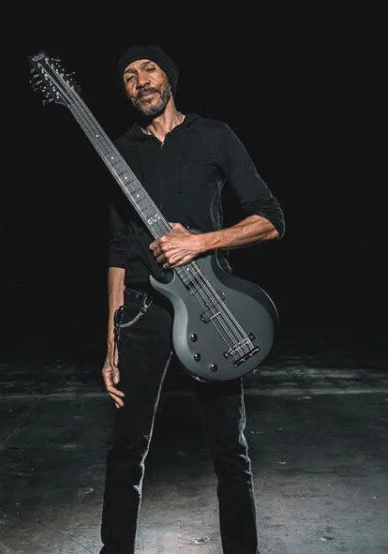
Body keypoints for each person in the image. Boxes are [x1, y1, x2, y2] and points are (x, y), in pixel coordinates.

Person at [99, 44, 285, 554]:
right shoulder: (120, 153)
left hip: (211, 304)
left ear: (169, 77)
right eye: (129, 75)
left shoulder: (214, 136)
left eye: (149, 68)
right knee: (126, 452)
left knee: (230, 452)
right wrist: (111, 338)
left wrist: (199, 242)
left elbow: (270, 219)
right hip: (142, 309)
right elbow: (117, 250)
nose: (141, 80)